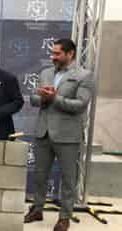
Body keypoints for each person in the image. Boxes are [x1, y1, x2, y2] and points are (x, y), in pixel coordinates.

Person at [24, 38, 94, 231]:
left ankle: (64, 217)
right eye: (52, 53)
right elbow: (33, 98)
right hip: (43, 132)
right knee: (40, 175)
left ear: (70, 54)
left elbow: (80, 105)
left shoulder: (84, 76)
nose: (52, 57)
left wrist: (55, 98)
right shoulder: (46, 73)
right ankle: (37, 209)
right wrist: (43, 98)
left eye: (57, 53)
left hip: (68, 136)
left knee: (68, 179)